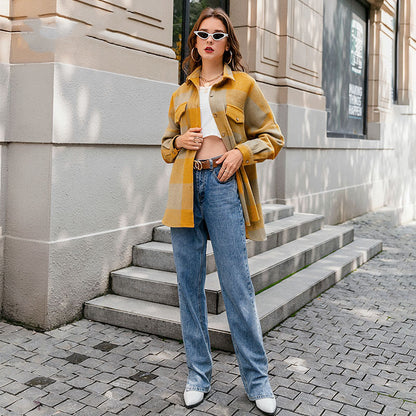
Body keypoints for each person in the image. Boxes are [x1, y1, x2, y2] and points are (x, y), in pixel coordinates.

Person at [161, 7, 284, 416]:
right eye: (202, 34)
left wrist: (239, 152)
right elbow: (164, 145)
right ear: (194, 42)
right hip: (184, 187)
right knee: (189, 285)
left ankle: (257, 379)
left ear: (228, 42)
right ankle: (198, 372)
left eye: (218, 34)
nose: (209, 40)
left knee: (236, 284)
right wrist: (179, 144)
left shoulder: (243, 86)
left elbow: (272, 136)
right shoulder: (180, 93)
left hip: (222, 185)